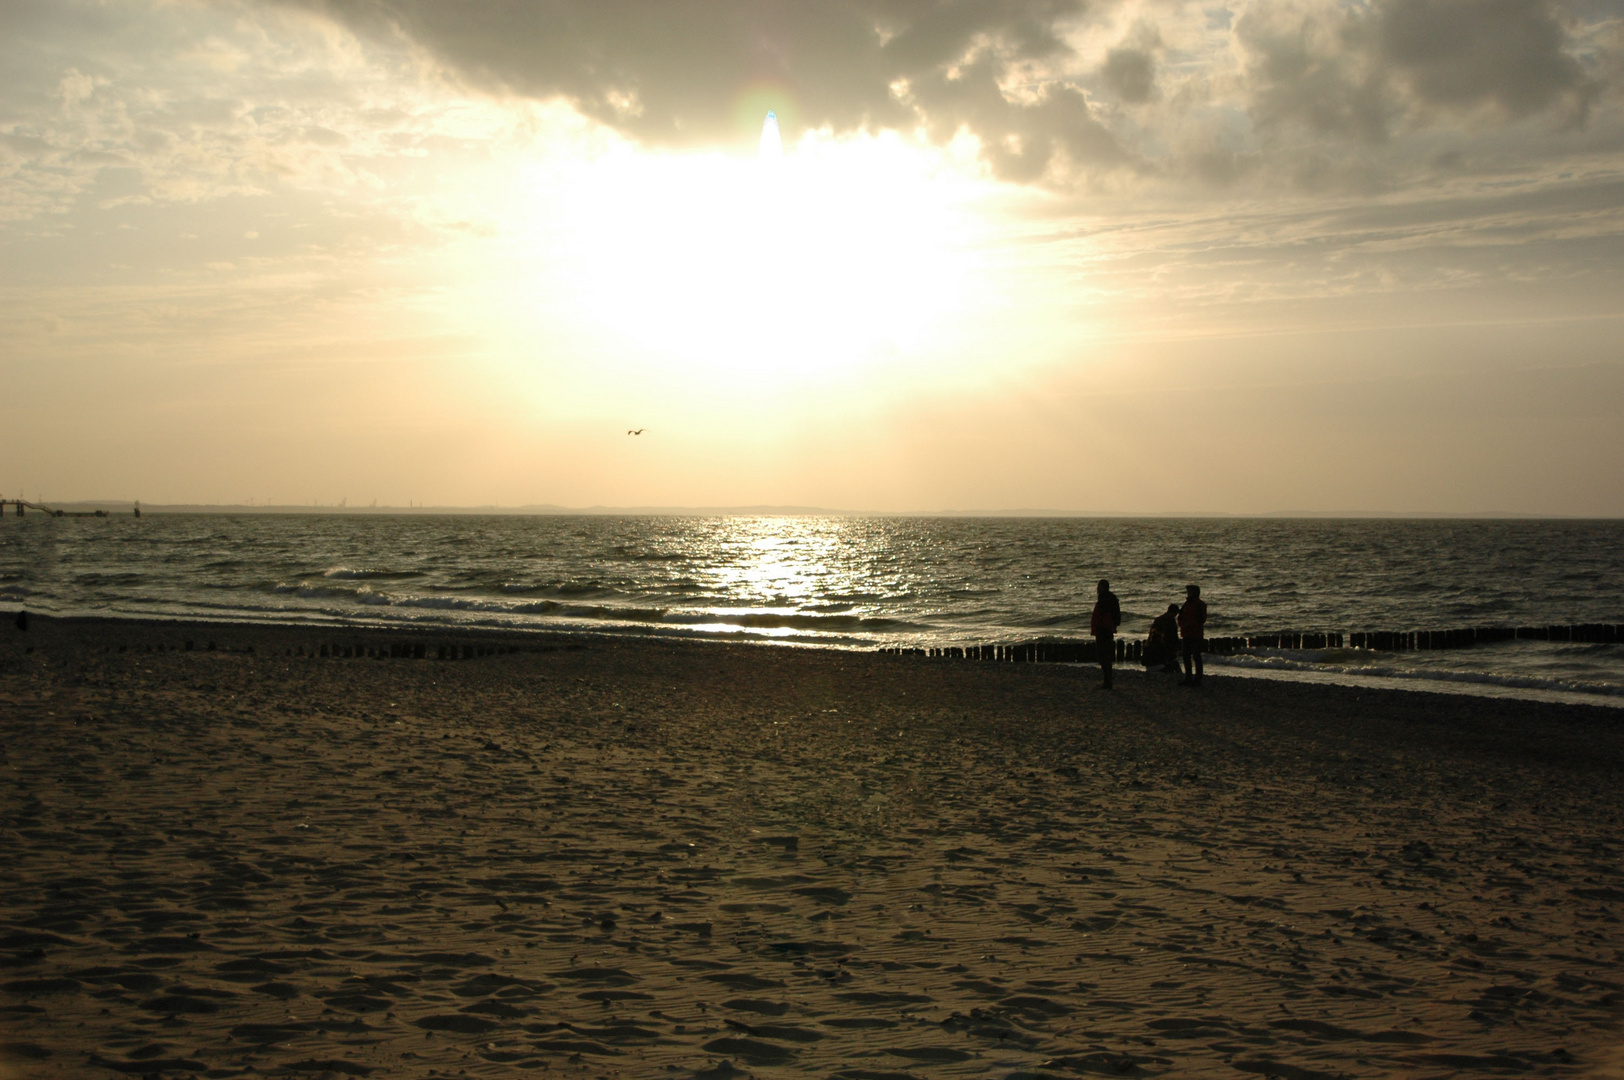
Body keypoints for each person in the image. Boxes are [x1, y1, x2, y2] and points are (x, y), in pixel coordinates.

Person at [1090, 579, 1121, 689]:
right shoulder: (1111, 599)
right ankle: (1107, 681)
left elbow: (1104, 616)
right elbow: (1117, 617)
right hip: (1106, 630)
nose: (1097, 589)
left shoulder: (1104, 599)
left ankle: (1107, 682)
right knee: (1105, 656)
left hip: (1103, 630)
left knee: (1103, 656)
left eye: (1099, 586)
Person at [1178, 584, 1207, 685]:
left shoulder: (1199, 604)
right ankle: (1188, 677)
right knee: (1186, 656)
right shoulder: (1186, 604)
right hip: (1186, 633)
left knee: (1196, 656)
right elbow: (1180, 616)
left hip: (1195, 634)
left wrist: (1189, 624)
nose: (1188, 593)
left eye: (1189, 591)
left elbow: (1201, 619)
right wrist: (1182, 625)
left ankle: (1198, 678)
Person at [1143, 604, 1181, 672]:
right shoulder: (1171, 621)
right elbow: (1174, 637)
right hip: (1164, 653)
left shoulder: (1158, 620)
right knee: (1173, 663)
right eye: (1175, 614)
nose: (1175, 616)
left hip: (1154, 661)